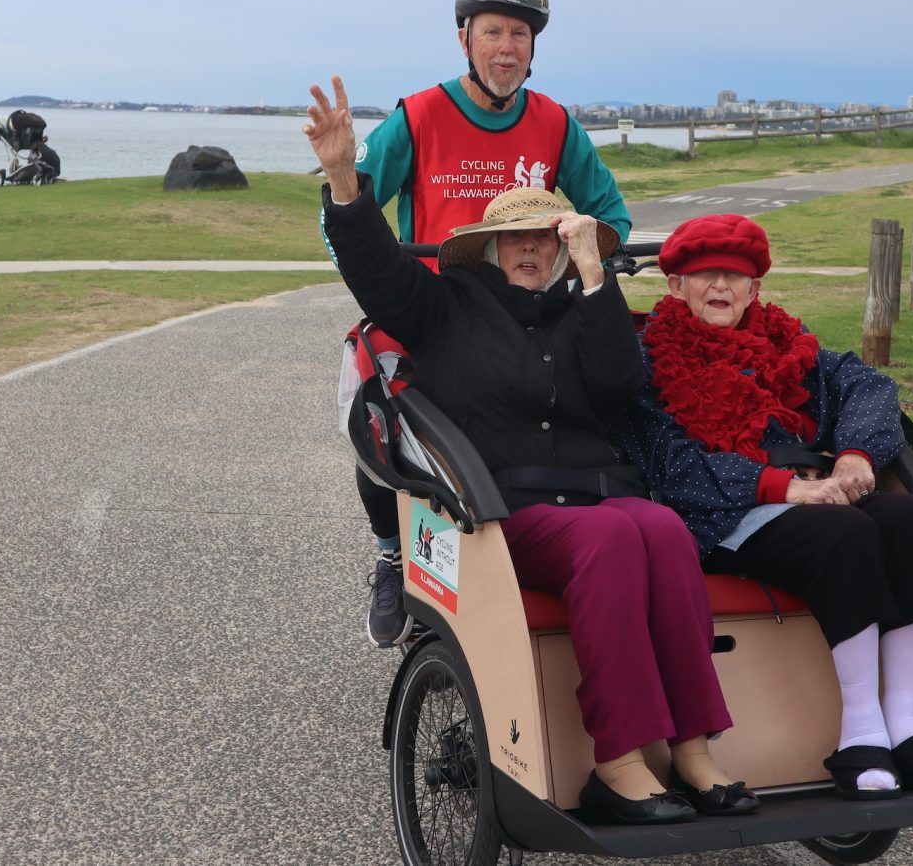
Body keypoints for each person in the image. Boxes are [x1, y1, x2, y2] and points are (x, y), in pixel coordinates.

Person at [303, 76, 758, 824]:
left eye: (544, 237)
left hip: (598, 494)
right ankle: (616, 764)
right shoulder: (446, 307)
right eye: (514, 237)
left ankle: (692, 748)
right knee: (615, 535)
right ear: (486, 247)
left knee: (665, 531)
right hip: (503, 505)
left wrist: (592, 273)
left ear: (559, 245)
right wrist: (346, 179)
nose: (528, 249)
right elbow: (375, 270)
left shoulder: (577, 308)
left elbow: (620, 380)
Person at [611, 214, 913, 801]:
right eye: (703, 274)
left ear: (755, 289)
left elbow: (870, 386)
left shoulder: (790, 344)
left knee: (909, 519)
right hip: (720, 515)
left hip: (815, 495)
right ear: (674, 286)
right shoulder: (645, 362)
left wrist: (857, 456)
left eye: (735, 277)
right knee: (843, 534)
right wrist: (783, 486)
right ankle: (863, 733)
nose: (720, 288)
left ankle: (906, 727)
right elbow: (670, 465)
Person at [336, 0, 632, 647]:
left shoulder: (556, 124)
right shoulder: (419, 116)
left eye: (520, 35)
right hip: (431, 306)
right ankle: (391, 549)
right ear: (465, 39)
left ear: (534, 48)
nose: (507, 47)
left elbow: (609, 215)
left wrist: (589, 262)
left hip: (521, 310)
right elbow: (349, 209)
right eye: (493, 31)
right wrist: (368, 272)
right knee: (381, 419)